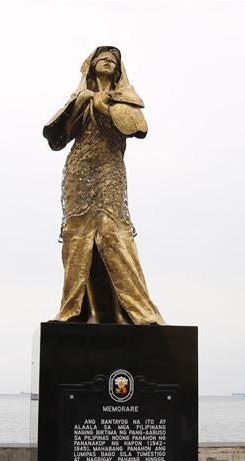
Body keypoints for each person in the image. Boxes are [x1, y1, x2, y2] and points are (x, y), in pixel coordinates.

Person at [43, 46, 165, 325]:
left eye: (113, 60)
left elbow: (136, 128)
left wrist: (102, 106)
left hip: (109, 170)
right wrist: (84, 102)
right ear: (91, 65)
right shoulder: (81, 97)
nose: (108, 61)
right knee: (76, 234)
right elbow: (58, 137)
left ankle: (138, 311)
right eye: (103, 58)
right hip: (79, 170)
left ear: (119, 70)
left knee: (112, 231)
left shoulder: (124, 98)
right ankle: (73, 310)